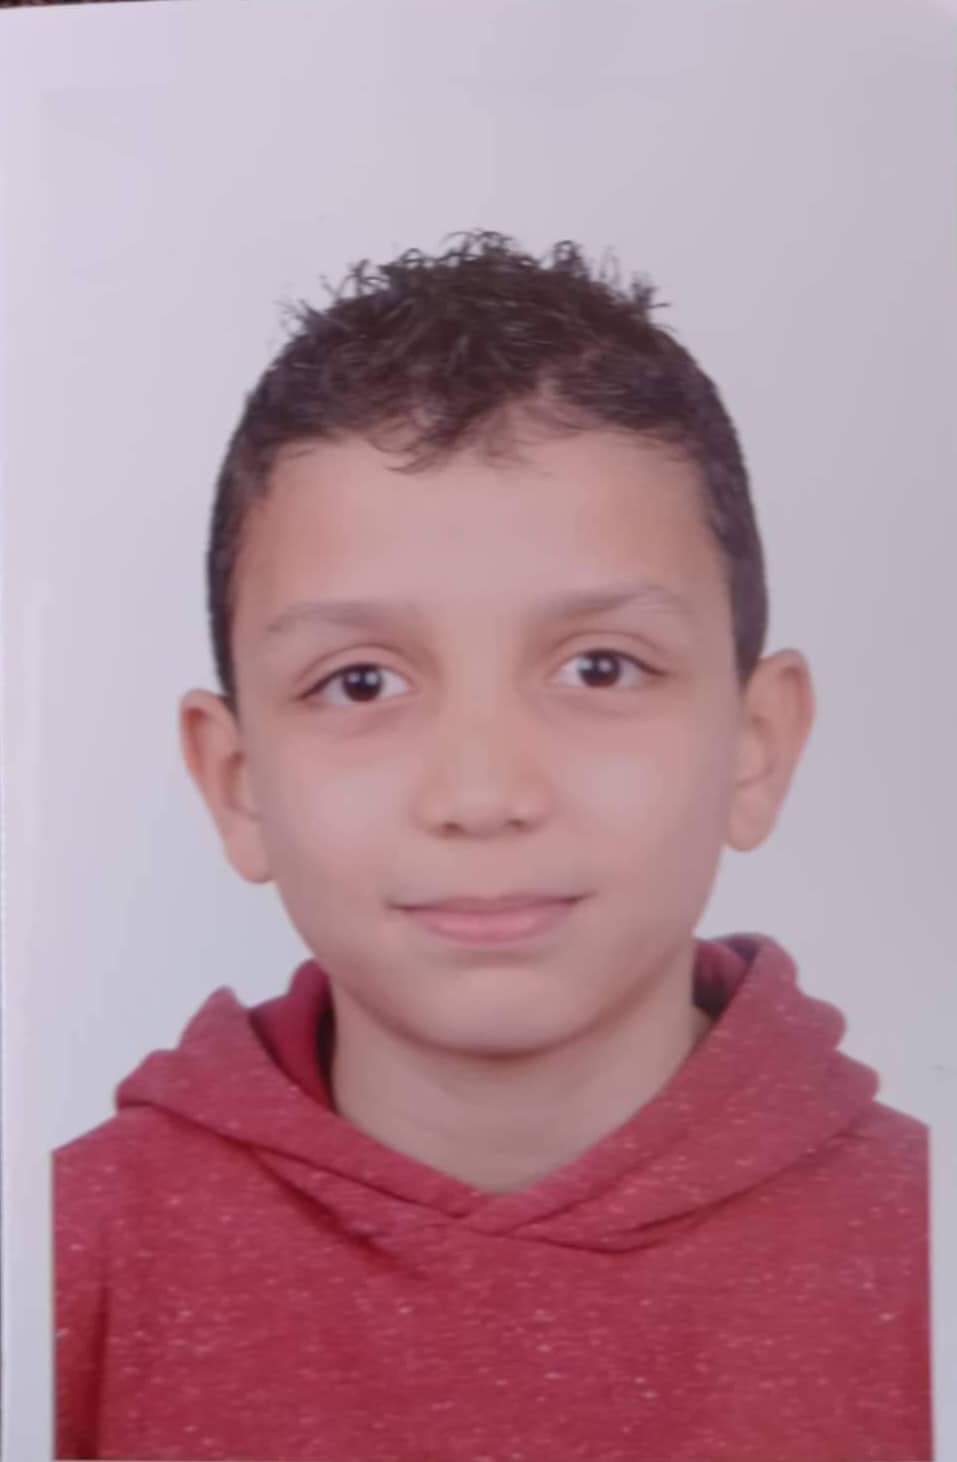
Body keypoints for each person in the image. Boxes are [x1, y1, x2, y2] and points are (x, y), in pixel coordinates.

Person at [54, 231, 931, 1461]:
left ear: (756, 746)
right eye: (361, 681)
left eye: (600, 667)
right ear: (237, 782)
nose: (482, 794)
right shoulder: (63, 1260)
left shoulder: (920, 1251)